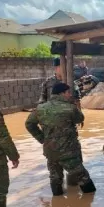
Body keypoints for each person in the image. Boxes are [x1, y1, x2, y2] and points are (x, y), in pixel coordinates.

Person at [25, 83, 96, 196]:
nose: (69, 95)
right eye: (68, 92)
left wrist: (42, 139)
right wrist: (75, 106)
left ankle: (57, 203)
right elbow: (80, 118)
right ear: (61, 94)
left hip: (51, 151)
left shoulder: (40, 108)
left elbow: (29, 124)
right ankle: (90, 201)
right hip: (69, 152)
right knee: (83, 177)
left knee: (55, 177)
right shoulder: (70, 108)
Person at [39, 57, 83, 185]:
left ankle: (72, 183)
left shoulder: (70, 82)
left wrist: (79, 115)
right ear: (56, 68)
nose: (65, 70)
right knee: (53, 156)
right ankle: (57, 182)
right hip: (51, 124)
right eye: (62, 67)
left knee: (73, 151)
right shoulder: (48, 83)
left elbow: (77, 100)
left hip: (68, 122)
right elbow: (42, 102)